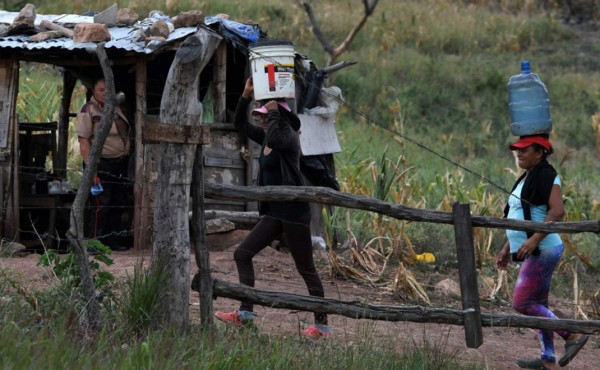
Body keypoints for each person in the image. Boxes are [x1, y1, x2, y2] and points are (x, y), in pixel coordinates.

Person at [214, 77, 332, 338]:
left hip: (294, 212)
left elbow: (278, 135)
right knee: (242, 254)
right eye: (263, 117)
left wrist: (276, 108)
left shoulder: (287, 138)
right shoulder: (267, 137)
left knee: (306, 268)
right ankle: (245, 314)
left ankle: (322, 326)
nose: (263, 121)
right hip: (276, 212)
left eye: (266, 117)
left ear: (280, 119)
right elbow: (239, 124)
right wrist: (246, 95)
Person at [496, 135, 589, 370]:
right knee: (538, 303)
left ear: (539, 153)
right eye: (517, 150)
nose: (519, 154)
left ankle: (572, 335)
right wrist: (508, 247)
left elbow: (557, 211)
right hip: (533, 249)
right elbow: (518, 214)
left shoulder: (548, 175)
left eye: (524, 150)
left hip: (544, 250)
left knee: (522, 302)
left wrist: (535, 239)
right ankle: (548, 360)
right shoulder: (525, 178)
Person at [76, 78, 131, 252]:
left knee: (116, 202)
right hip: (100, 164)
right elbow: (83, 140)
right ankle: (94, 242)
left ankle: (111, 240)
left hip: (120, 163)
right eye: (101, 90)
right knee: (101, 204)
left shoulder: (116, 108)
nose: (105, 93)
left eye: (108, 90)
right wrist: (91, 169)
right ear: (93, 91)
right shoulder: (88, 110)